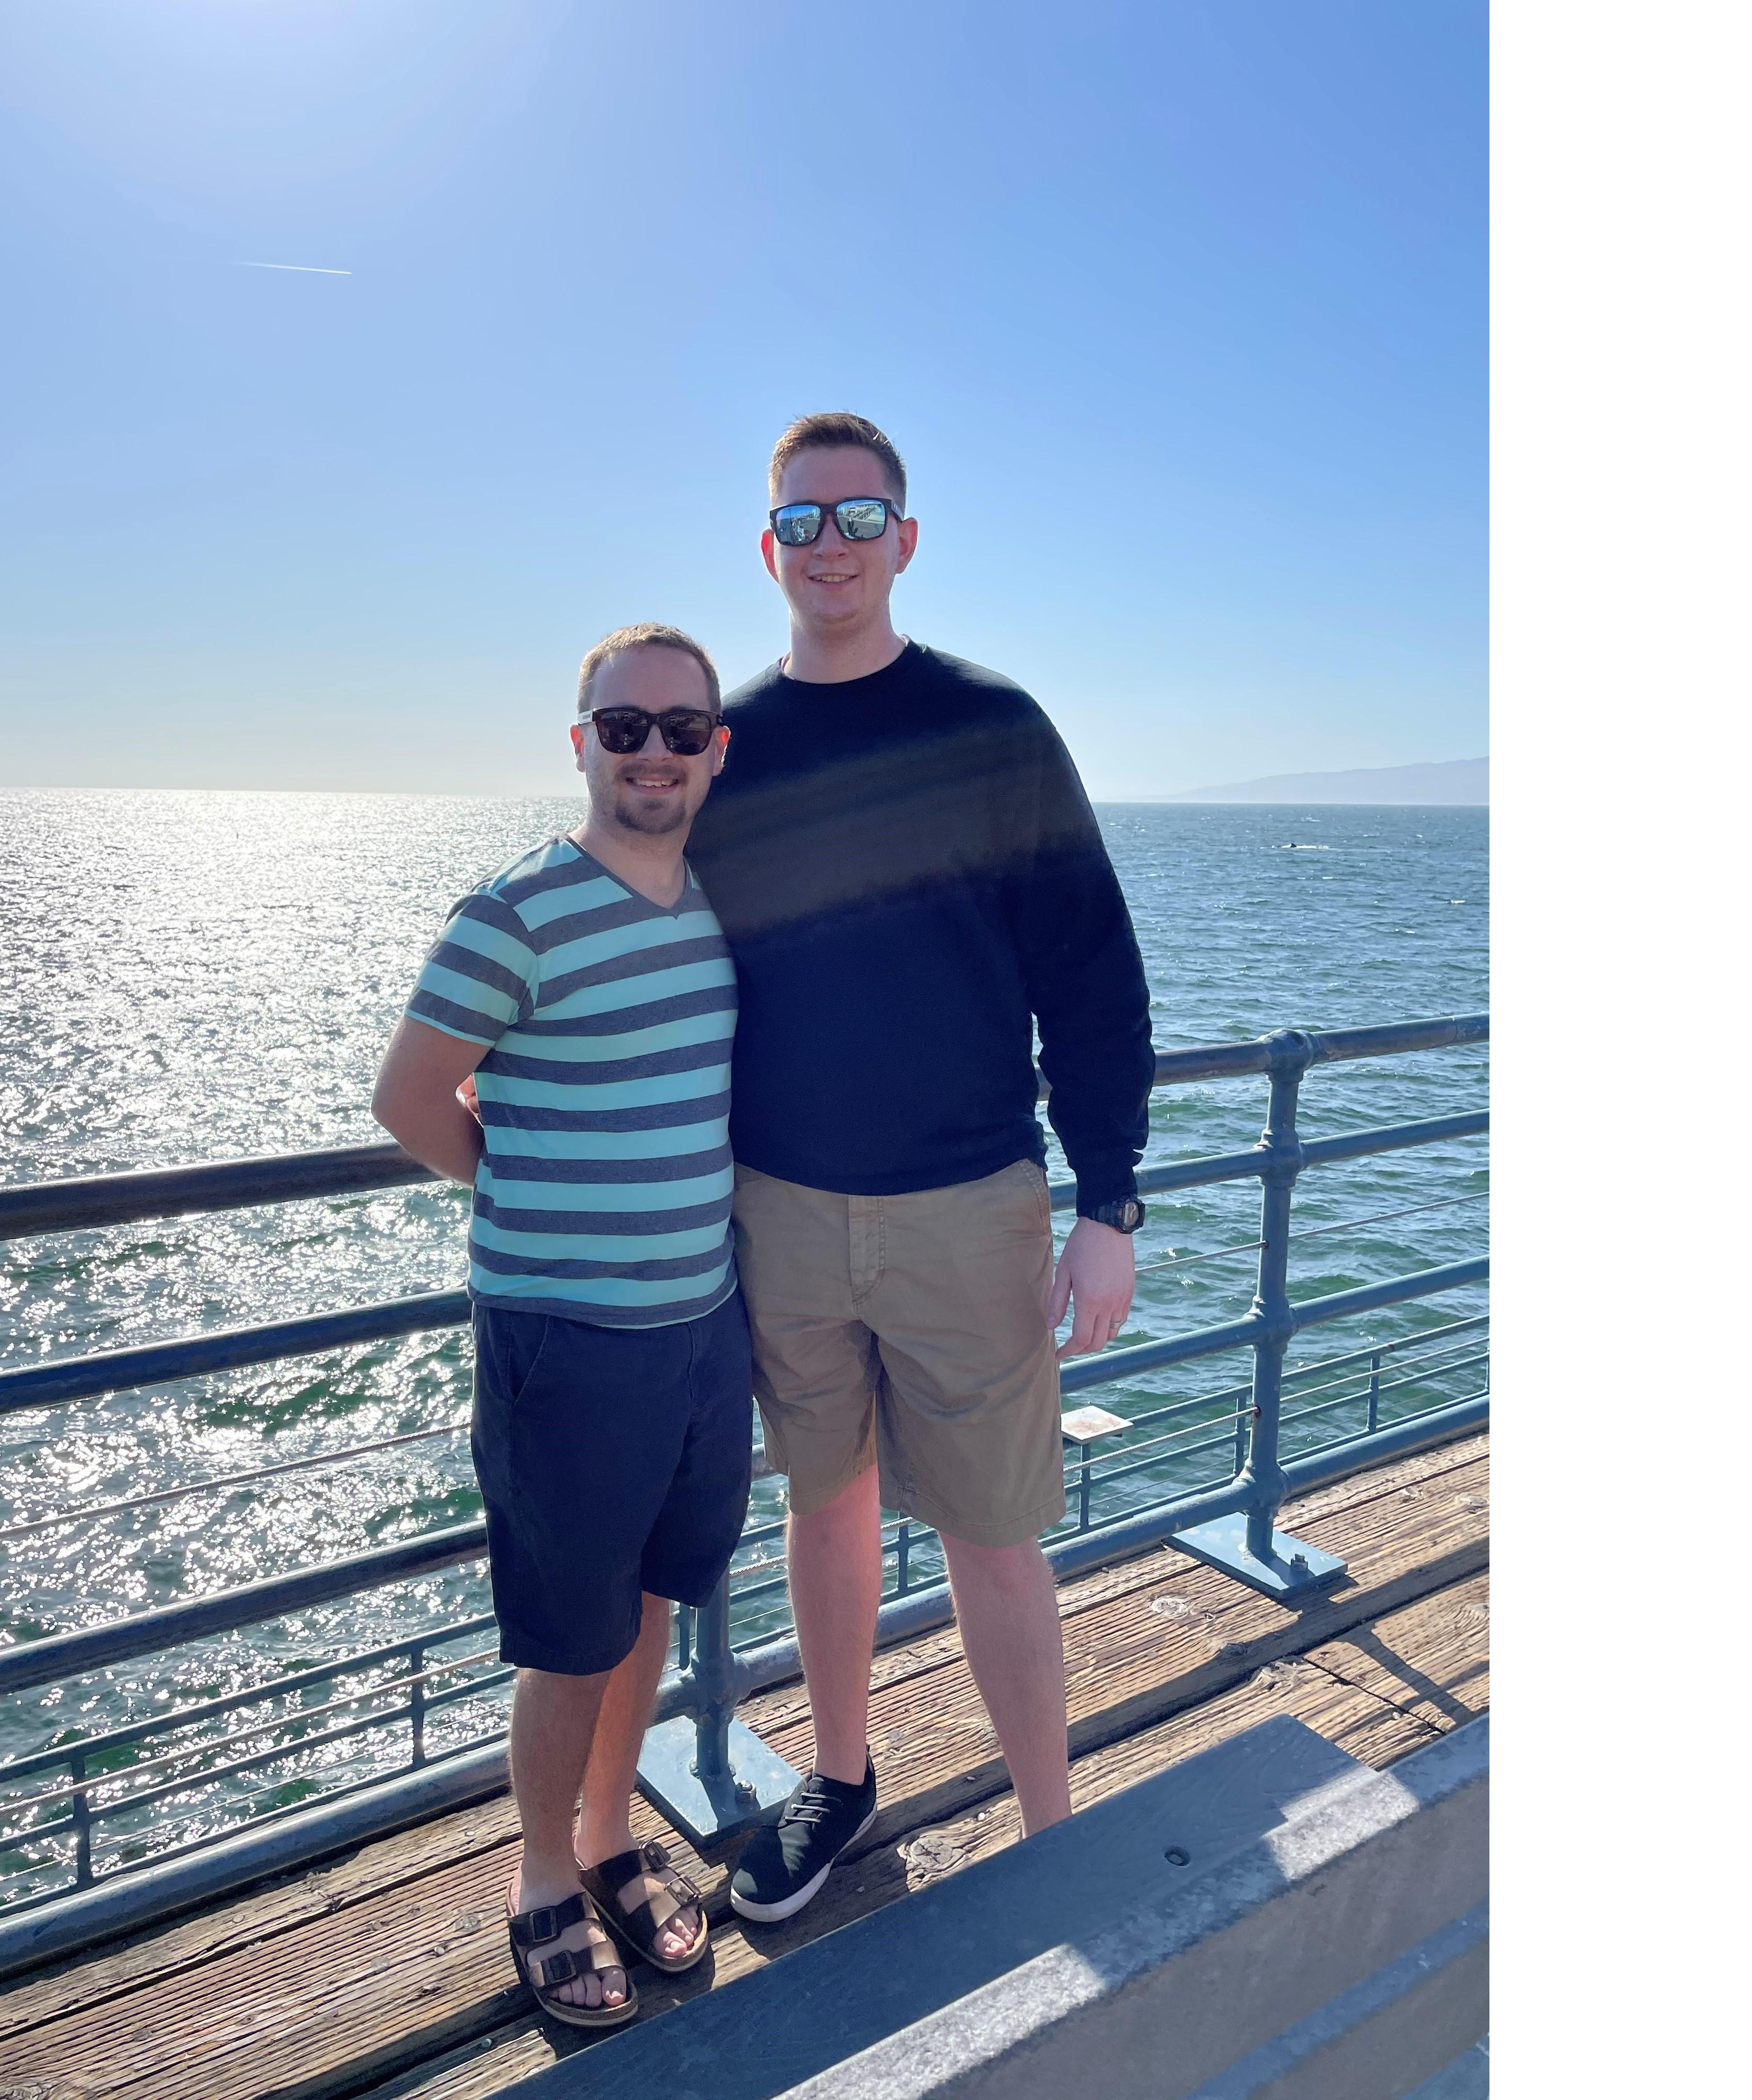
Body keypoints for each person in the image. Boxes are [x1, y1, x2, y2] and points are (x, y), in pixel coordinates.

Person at [684, 413, 1155, 1924]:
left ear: (905, 536)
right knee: (822, 1508)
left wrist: (1110, 1201)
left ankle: (1050, 1835)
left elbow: (1092, 972)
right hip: (781, 1207)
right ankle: (841, 1778)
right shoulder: (726, 752)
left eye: (858, 513)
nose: (830, 543)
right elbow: (655, 943)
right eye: (802, 521)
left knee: (994, 1533)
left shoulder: (992, 728)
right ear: (770, 550)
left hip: (969, 1203)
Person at [371, 623, 749, 2028]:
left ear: (718, 748)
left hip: (704, 1328)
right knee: (568, 1636)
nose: (653, 750)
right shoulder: (513, 913)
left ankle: (606, 1838)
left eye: (682, 729)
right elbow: (411, 1102)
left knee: (649, 1602)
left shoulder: (720, 900)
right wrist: (529, 1195)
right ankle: (541, 1877)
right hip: (565, 1343)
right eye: (625, 726)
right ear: (580, 741)